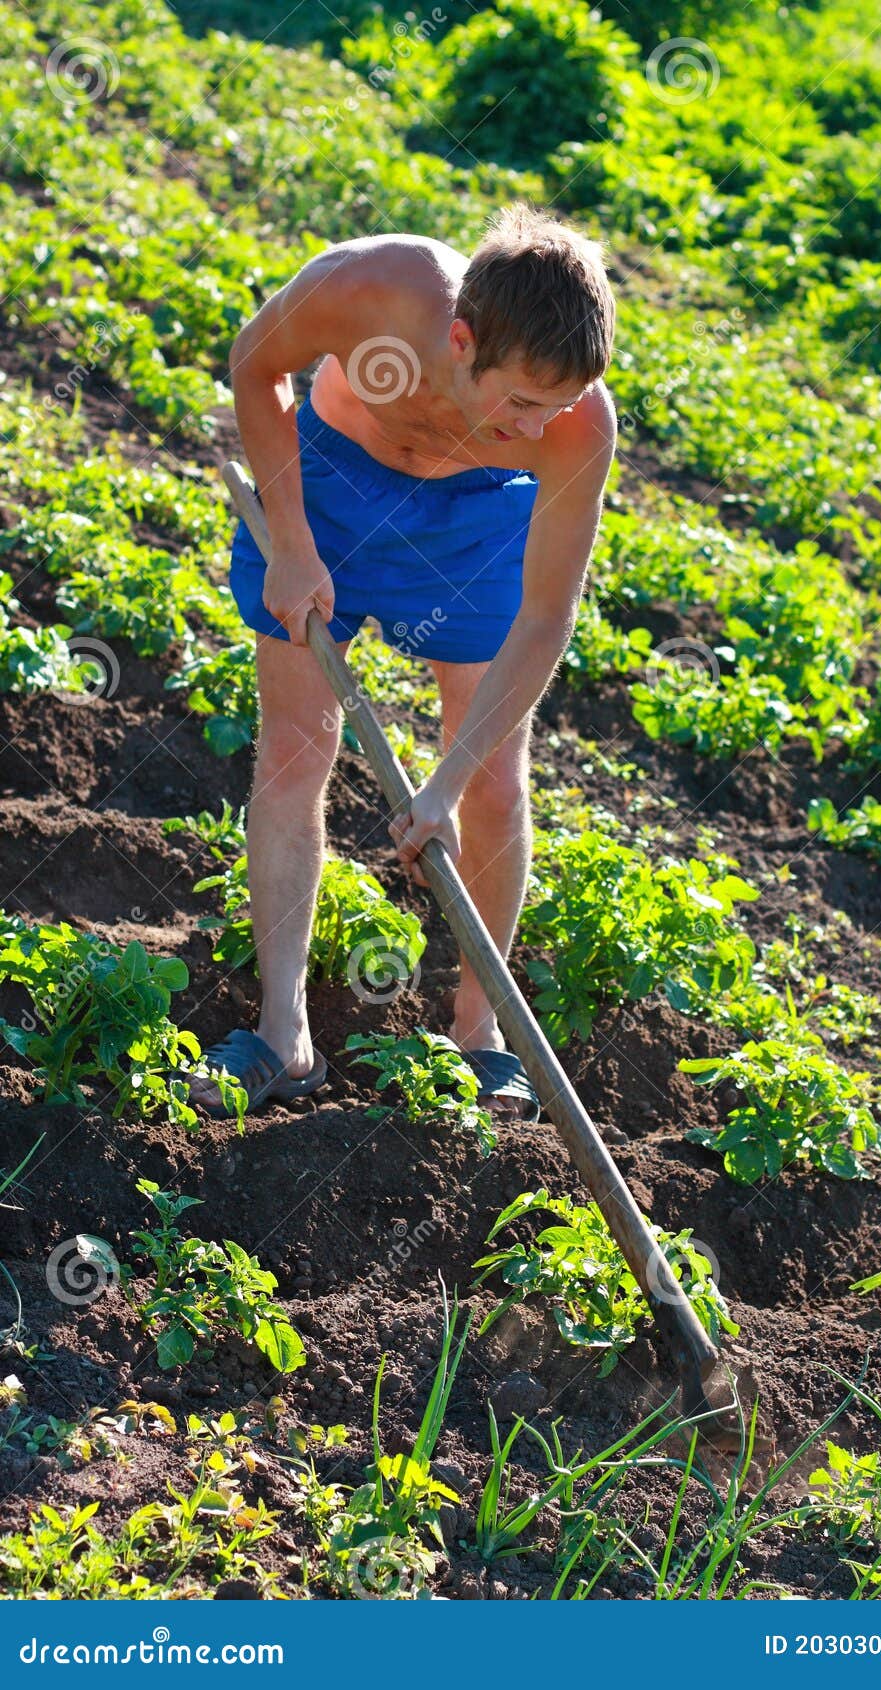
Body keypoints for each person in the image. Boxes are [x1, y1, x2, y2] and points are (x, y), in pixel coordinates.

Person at [183, 202, 617, 1123]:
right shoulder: (369, 286)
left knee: (495, 780)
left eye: (563, 404)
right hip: (330, 487)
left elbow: (545, 620)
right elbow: (256, 367)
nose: (546, 422)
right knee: (297, 746)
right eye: (525, 402)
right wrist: (292, 542)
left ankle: (478, 1036)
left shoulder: (574, 427)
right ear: (461, 340)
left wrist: (443, 783)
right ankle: (281, 1034)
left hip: (472, 527)